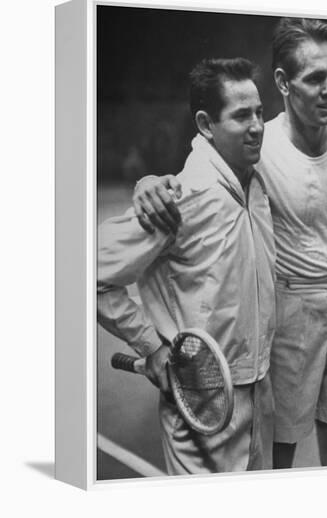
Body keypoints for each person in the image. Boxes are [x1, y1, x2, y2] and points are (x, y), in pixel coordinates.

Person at [132, 18, 327, 469]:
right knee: (276, 463)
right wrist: (149, 182)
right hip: (288, 317)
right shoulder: (258, 143)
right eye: (315, 78)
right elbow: (196, 173)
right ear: (284, 83)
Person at [97, 58, 276, 475]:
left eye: (260, 112)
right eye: (241, 115)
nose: (256, 126)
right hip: (200, 408)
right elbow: (86, 273)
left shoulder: (257, 180)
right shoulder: (180, 198)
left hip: (256, 399)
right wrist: (153, 348)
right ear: (205, 123)